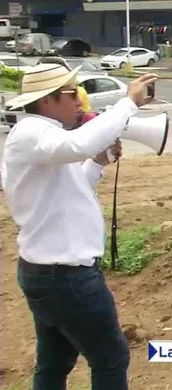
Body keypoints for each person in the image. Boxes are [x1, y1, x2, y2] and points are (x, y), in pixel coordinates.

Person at [1, 64, 157, 390]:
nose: (79, 102)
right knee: (111, 359)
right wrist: (127, 103)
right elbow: (80, 145)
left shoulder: (44, 138)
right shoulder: (33, 134)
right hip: (66, 277)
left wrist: (98, 163)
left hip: (51, 273)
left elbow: (72, 189)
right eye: (73, 94)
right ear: (47, 100)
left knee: (54, 363)